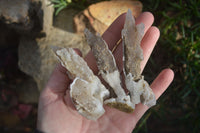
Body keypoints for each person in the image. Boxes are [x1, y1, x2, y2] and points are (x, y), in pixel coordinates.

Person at [36, 12, 174, 133]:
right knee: (107, 62)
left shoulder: (119, 92)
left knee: (118, 63)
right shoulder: (104, 95)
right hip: (105, 87)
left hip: (111, 85)